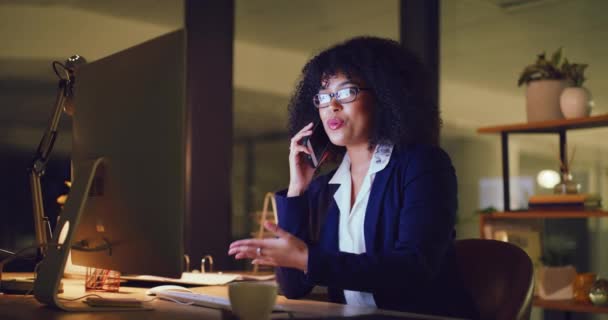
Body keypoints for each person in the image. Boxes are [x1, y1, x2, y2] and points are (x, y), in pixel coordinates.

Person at [228, 36, 479, 319]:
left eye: (346, 92)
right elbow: (294, 286)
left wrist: (308, 259)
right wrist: (298, 188)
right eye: (323, 96)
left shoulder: (423, 166)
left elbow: (413, 268)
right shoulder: (326, 187)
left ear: (385, 96)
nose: (332, 106)